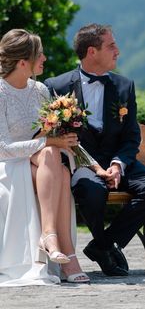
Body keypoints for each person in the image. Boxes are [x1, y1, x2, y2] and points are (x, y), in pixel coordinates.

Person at [45, 24, 145, 277]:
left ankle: (102, 245)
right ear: (92, 51)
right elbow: (59, 136)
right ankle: (104, 246)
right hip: (82, 165)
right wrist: (95, 167)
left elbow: (131, 136)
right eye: (111, 45)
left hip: (119, 164)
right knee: (91, 190)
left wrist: (117, 165)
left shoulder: (125, 87)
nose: (118, 51)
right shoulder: (56, 87)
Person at [0, 29, 89, 285]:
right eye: (40, 54)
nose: (45, 58)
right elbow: (2, 147)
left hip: (37, 159)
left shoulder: (40, 89)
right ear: (23, 62)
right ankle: (67, 255)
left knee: (55, 161)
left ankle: (50, 237)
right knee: (55, 165)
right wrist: (48, 141)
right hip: (7, 163)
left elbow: (47, 134)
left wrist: (63, 142)